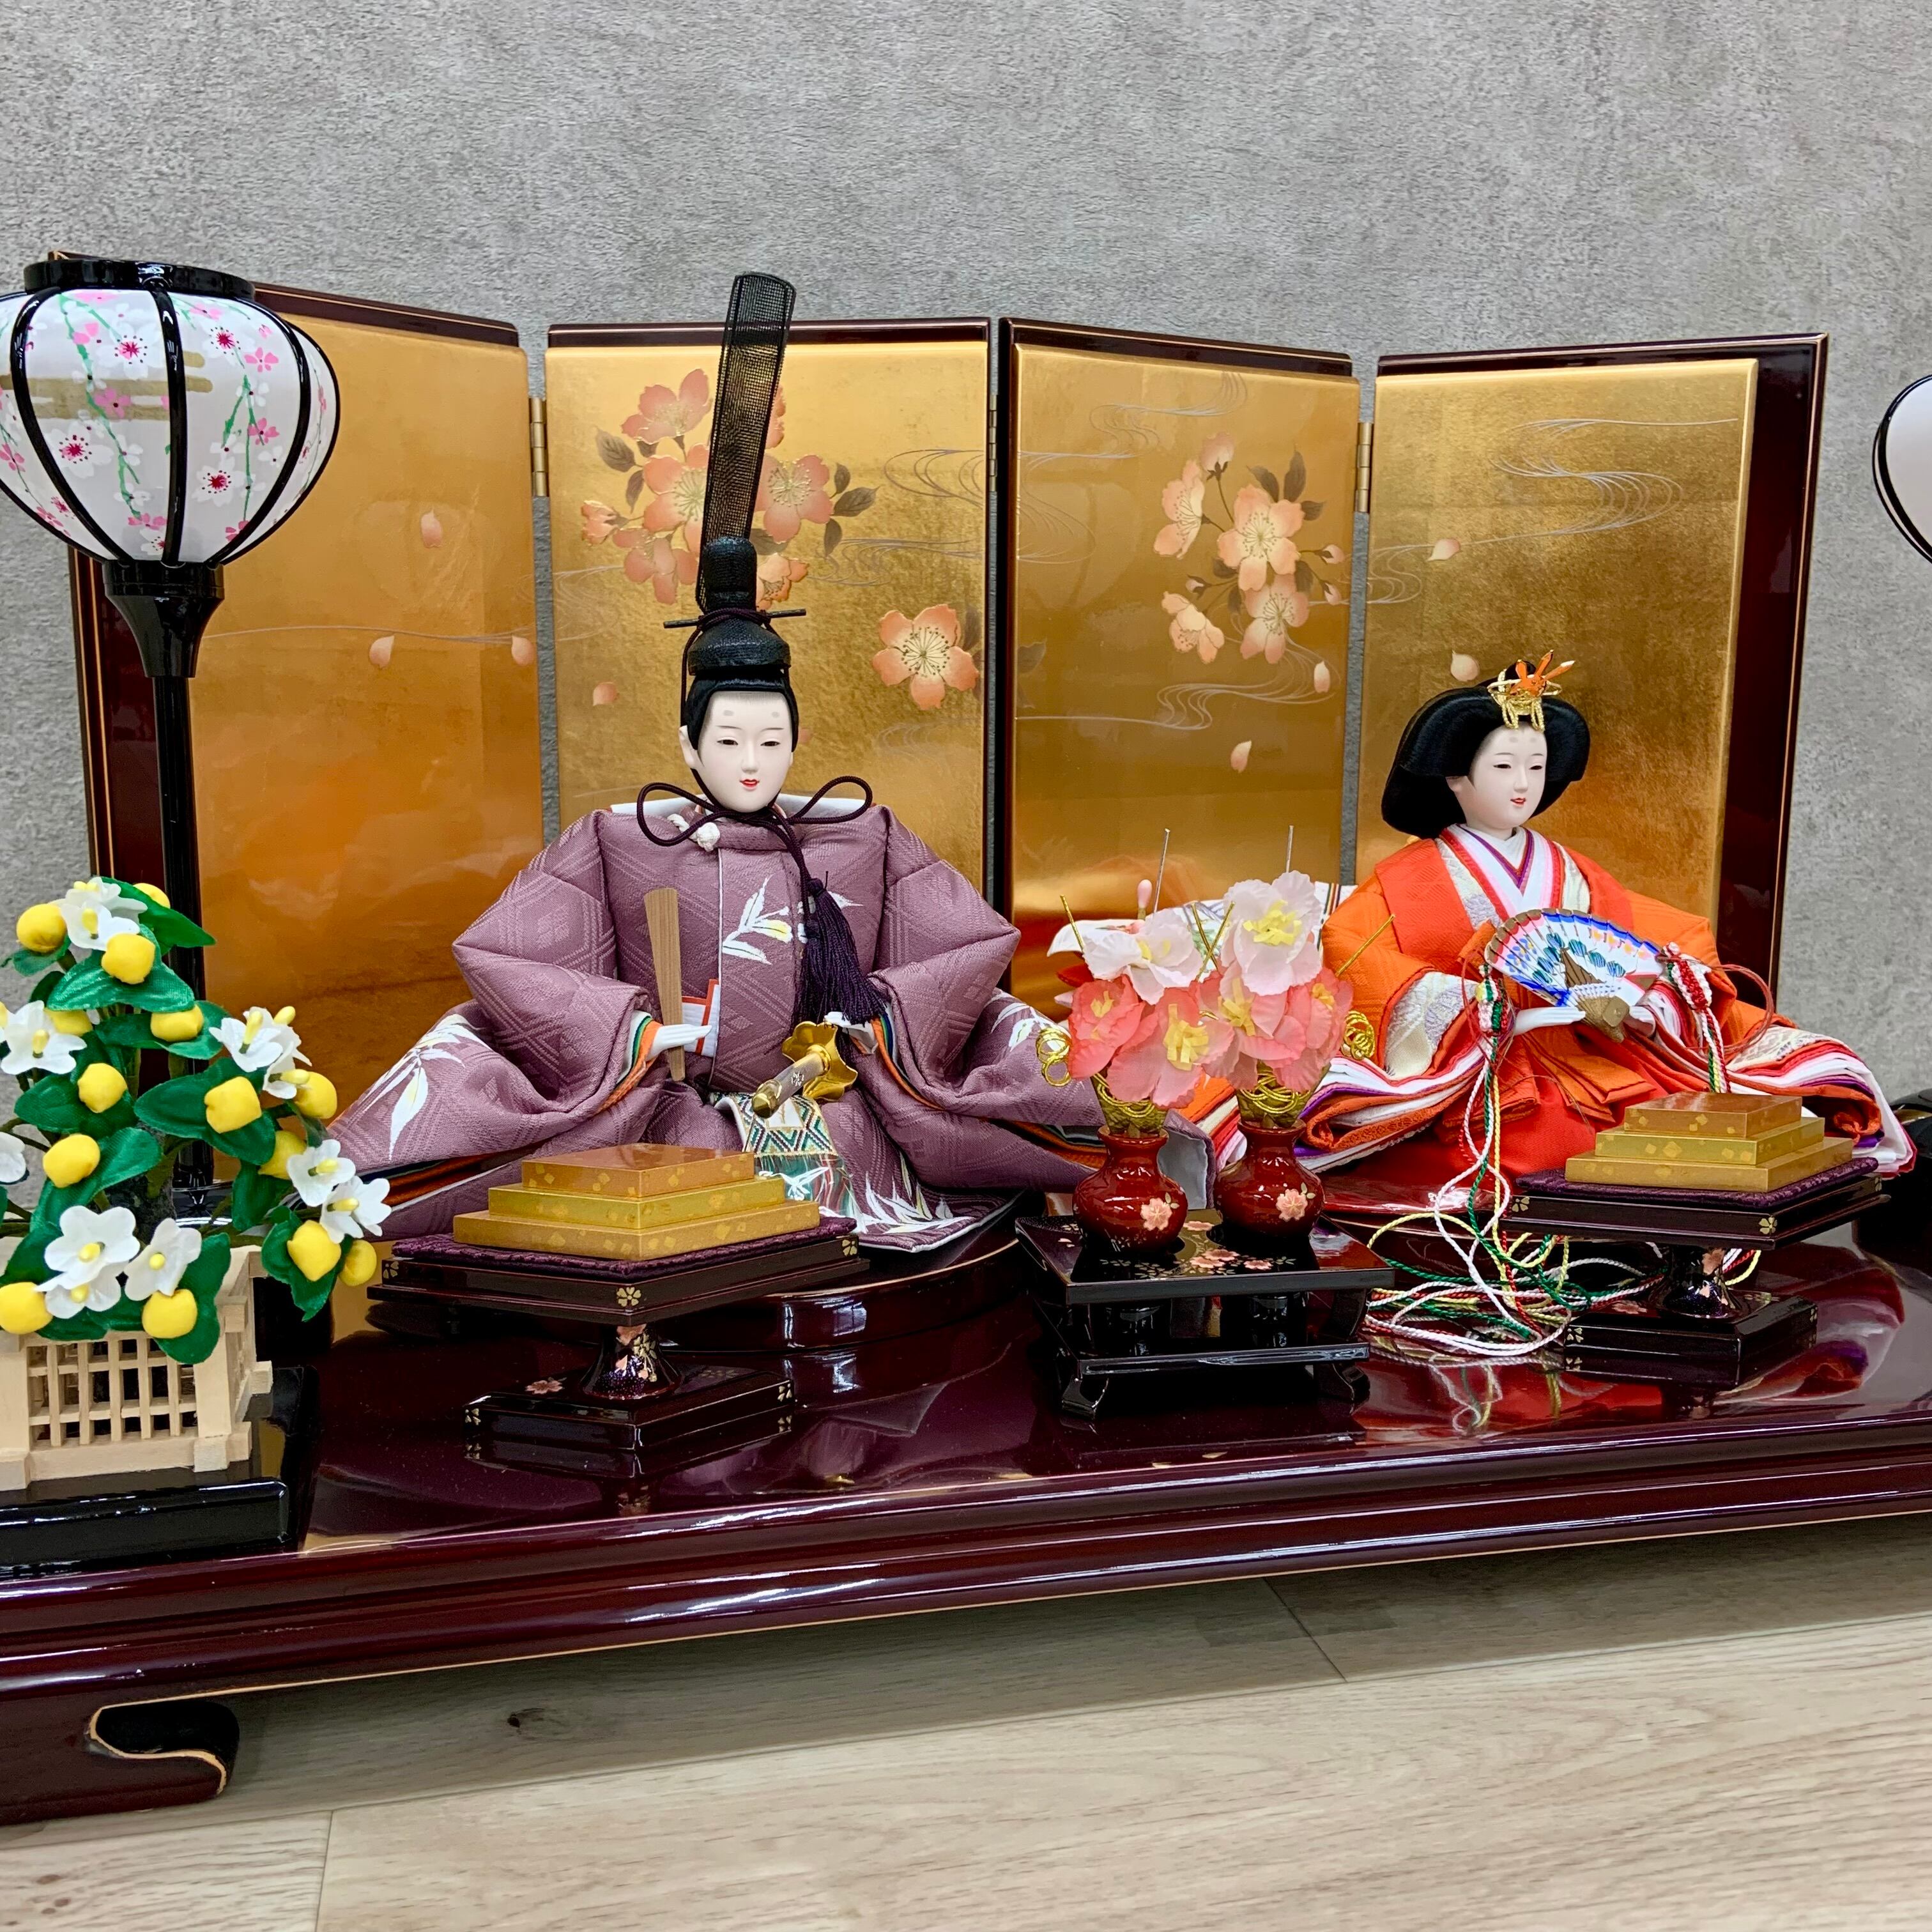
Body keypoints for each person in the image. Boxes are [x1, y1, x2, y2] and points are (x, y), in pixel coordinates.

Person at [332, 275, 1096, 1249]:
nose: (751, 761)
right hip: (665, 1114)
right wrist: (637, 1033)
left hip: (833, 1111)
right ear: (686, 744)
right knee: (659, 1215)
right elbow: (511, 956)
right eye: (727, 741)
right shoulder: (620, 839)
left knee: (846, 1211)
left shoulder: (859, 833)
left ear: (799, 741)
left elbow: (960, 948)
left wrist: (877, 1025)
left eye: (771, 742)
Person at [1300, 656, 1911, 1200]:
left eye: (1536, 766)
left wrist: (1644, 1000)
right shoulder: (1409, 879)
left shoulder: (1575, 873)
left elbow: (1647, 945)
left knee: (1677, 1123)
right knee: (1534, 1146)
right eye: (1504, 766)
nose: (1523, 784)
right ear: (1456, 777)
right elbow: (1359, 960)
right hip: (1486, 1064)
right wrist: (1479, 1009)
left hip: (1593, 1050)